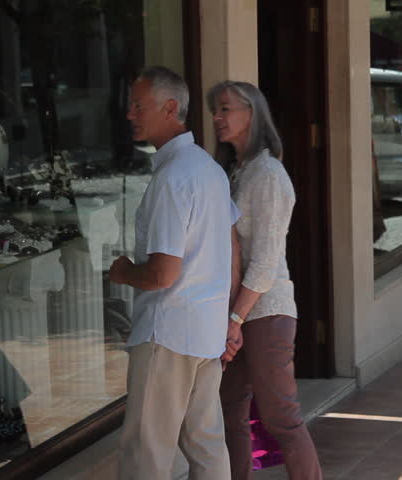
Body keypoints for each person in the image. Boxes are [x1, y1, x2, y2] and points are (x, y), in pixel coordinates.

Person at [110, 66, 238, 480]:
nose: (130, 113)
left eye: (138, 105)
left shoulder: (174, 176)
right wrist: (228, 316)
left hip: (169, 332)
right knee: (206, 445)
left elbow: (163, 274)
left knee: (146, 454)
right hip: (203, 329)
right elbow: (232, 248)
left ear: (169, 108)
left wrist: (125, 272)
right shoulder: (207, 168)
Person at [209, 80, 323, 480]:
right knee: (229, 412)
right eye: (215, 110)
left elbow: (266, 261)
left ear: (252, 114)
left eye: (225, 109)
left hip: (266, 312)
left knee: (282, 418)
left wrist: (235, 320)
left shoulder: (269, 174)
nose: (217, 118)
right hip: (237, 313)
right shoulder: (234, 172)